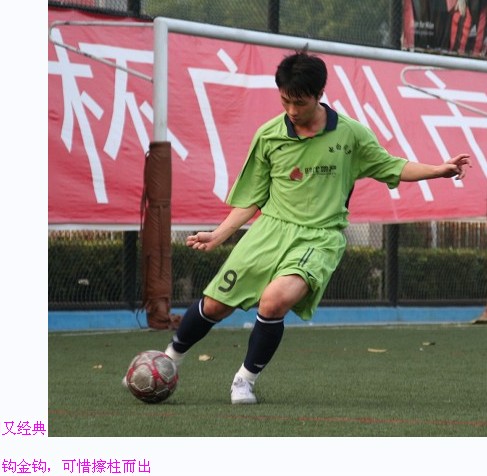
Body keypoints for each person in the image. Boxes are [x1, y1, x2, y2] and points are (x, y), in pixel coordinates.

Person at [161, 48, 471, 404]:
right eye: (285, 101)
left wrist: (438, 169)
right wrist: (219, 235)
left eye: (300, 102)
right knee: (216, 305)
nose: (292, 110)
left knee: (274, 301)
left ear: (319, 94)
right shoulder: (268, 136)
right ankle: (167, 362)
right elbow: (252, 198)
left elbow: (393, 166)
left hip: (320, 238)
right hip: (270, 231)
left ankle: (244, 380)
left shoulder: (351, 135)